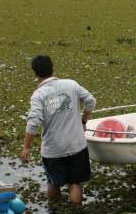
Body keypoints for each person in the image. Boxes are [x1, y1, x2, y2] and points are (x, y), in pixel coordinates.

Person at [20, 55, 96, 204]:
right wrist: (84, 120)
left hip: (53, 149)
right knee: (75, 182)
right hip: (76, 145)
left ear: (35, 74)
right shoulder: (71, 84)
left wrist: (25, 148)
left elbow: (33, 122)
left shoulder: (39, 95)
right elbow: (90, 101)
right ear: (53, 69)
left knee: (54, 182)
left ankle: (55, 213)